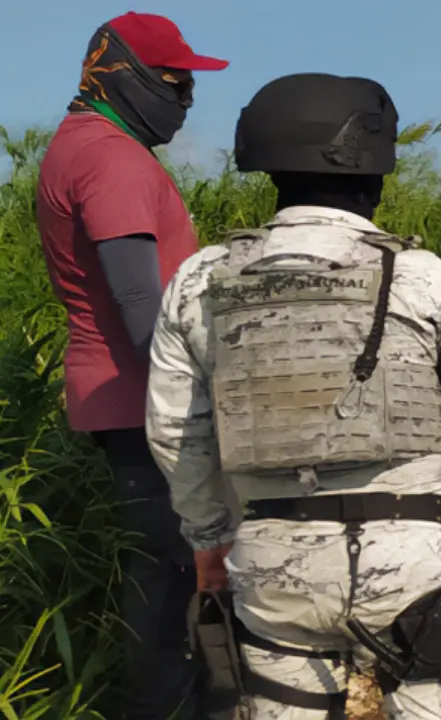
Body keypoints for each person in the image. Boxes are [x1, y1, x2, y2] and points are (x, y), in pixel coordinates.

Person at [145, 72, 441, 719]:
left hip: (272, 561)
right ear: (375, 173)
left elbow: (175, 432)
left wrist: (209, 539)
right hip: (415, 564)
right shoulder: (420, 276)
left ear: (269, 170)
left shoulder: (200, 281)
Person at [34, 11, 228, 720]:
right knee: (176, 588)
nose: (185, 100)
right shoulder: (111, 157)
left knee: (166, 584)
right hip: (148, 402)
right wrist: (200, 396)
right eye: (175, 82)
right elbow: (140, 299)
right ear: (126, 75)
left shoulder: (82, 145)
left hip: (125, 399)